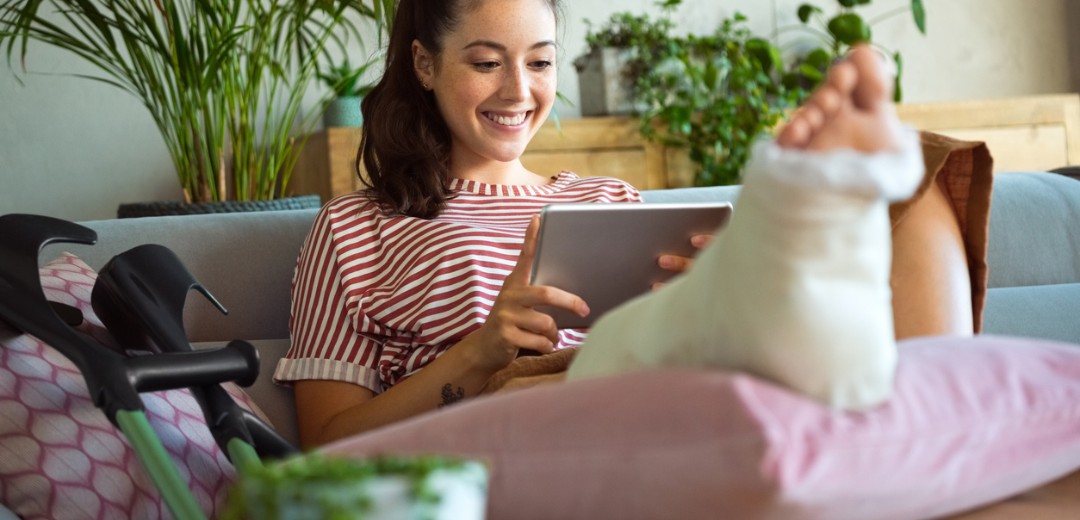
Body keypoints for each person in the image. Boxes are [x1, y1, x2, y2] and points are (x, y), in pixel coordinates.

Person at [274, 0, 921, 448]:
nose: (518, 91)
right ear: (423, 64)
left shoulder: (607, 196)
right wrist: (478, 353)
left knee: (936, 174)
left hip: (660, 400)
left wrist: (705, 292)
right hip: (516, 422)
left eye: (540, 62)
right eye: (486, 61)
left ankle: (860, 360)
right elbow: (325, 449)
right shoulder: (358, 226)